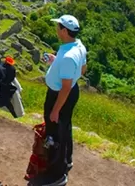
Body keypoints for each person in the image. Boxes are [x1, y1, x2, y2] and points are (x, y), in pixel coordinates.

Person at [37, 14, 88, 186]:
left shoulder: (67, 56)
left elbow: (64, 87)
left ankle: (57, 175)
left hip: (60, 95)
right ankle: (67, 160)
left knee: (54, 134)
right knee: (65, 128)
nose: (56, 29)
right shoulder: (77, 46)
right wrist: (55, 61)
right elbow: (82, 70)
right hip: (71, 91)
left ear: (64, 31)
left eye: (58, 26)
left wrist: (55, 110)